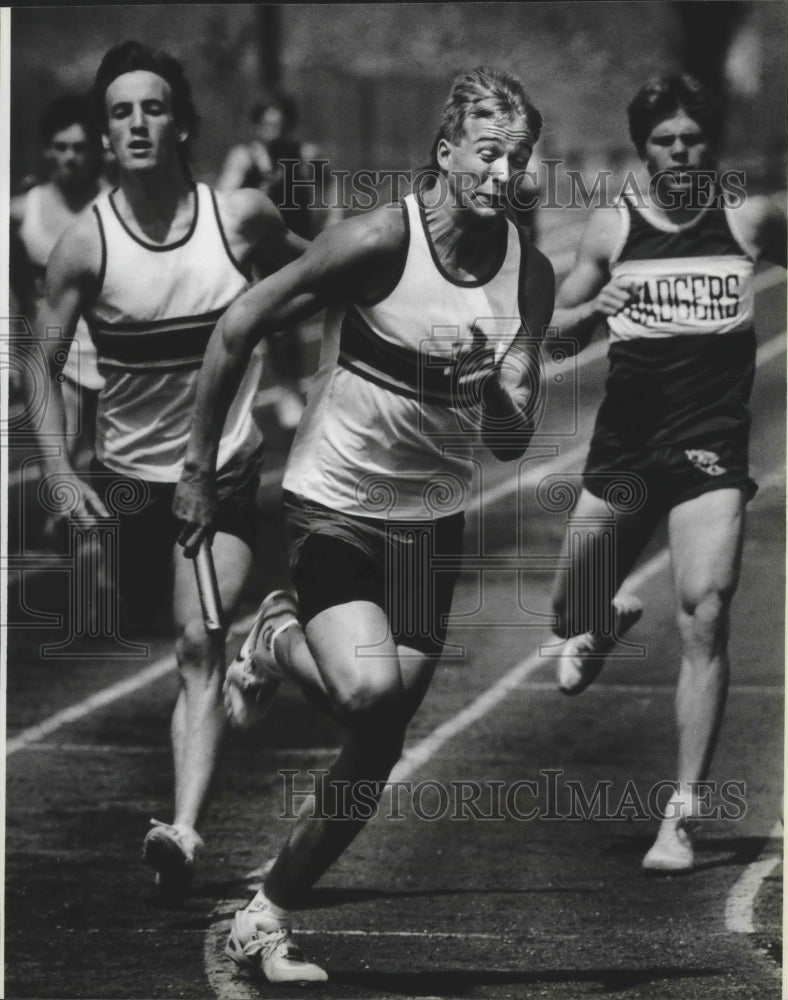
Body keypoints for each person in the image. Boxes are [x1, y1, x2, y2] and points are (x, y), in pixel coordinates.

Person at [174, 66, 552, 984]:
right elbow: (239, 326)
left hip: (433, 518)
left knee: (378, 739)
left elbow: (510, 440)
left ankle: (266, 916)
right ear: (447, 151)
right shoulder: (386, 239)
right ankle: (271, 636)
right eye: (489, 151)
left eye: (521, 156)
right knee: (367, 691)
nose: (505, 171)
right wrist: (195, 469)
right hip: (336, 499)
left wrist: (500, 395)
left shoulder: (527, 277)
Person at [32, 41, 307, 899]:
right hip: (127, 479)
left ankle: (184, 831)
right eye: (121, 112)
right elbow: (37, 363)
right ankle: (260, 650)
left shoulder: (241, 220)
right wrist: (59, 474)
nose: (138, 124)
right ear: (107, 137)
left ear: (180, 122)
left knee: (198, 645)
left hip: (220, 468)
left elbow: (330, 270)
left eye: (153, 107)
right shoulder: (85, 246)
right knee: (157, 630)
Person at [546, 74, 786, 871]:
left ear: (709, 145)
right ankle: (601, 617)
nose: (680, 153)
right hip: (627, 449)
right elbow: (554, 332)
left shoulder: (749, 219)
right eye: (664, 142)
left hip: (710, 447)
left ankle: (680, 816)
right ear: (642, 149)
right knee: (565, 609)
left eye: (692, 140)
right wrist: (583, 316)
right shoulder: (612, 229)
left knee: (704, 614)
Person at [218, 92, 344, 432]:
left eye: (279, 123)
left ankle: (302, 385)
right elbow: (223, 196)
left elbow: (330, 180)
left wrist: (333, 216)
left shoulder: (304, 154)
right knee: (275, 324)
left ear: (288, 124)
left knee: (301, 320)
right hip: (261, 251)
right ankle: (289, 389)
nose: (273, 129)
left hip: (299, 245)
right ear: (257, 125)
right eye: (266, 122)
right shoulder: (245, 158)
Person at [11, 94, 107, 469]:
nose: (70, 157)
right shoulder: (22, 211)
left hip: (112, 355)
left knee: (104, 462)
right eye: (61, 147)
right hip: (58, 358)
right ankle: (61, 522)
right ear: (47, 150)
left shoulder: (115, 205)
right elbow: (13, 288)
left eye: (80, 148)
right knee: (61, 458)